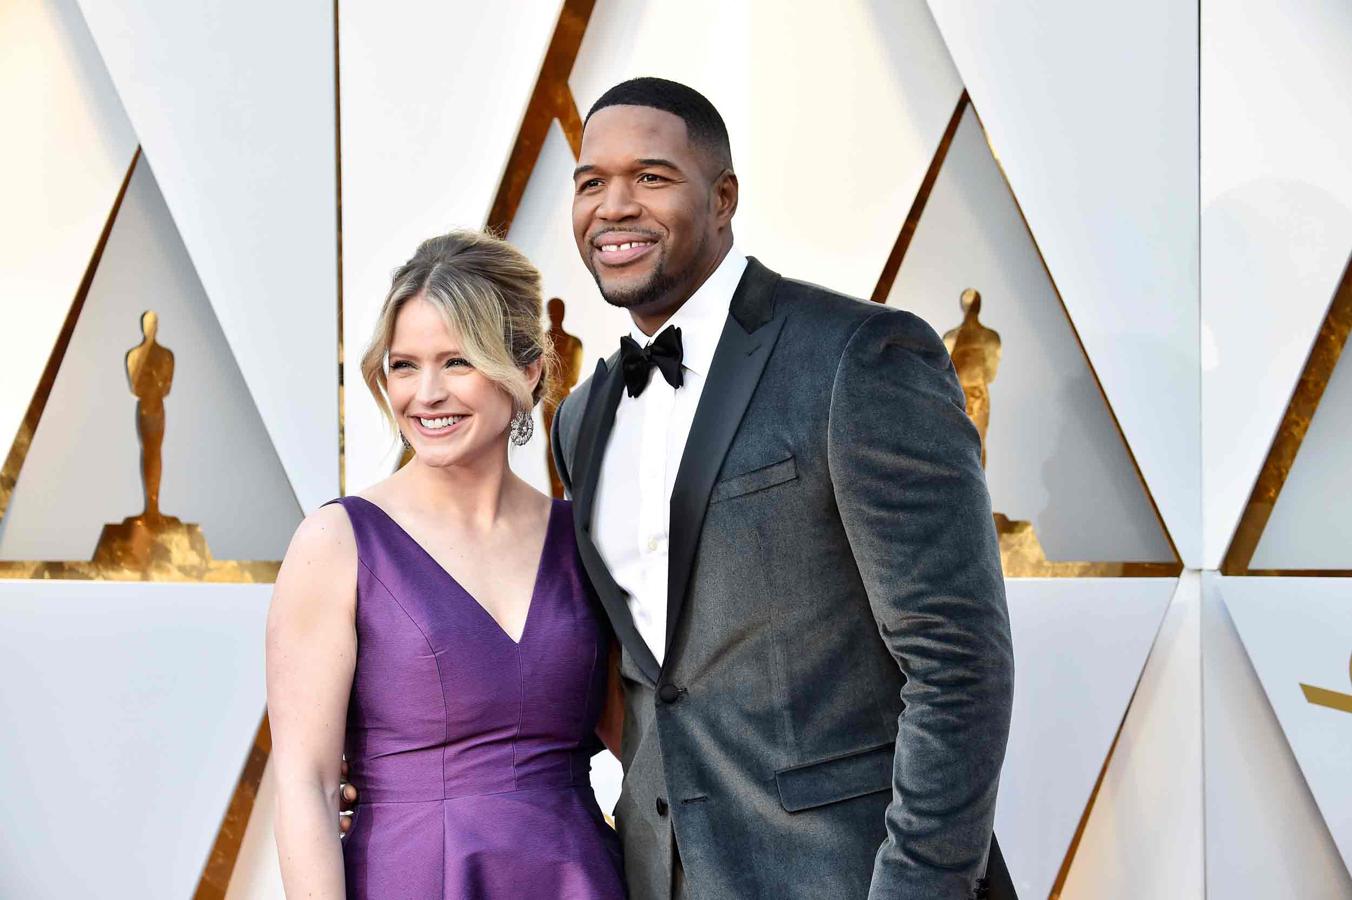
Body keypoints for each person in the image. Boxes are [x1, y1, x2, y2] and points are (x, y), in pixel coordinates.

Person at [345, 78, 1017, 899]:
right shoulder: (582, 419)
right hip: (650, 877)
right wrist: (401, 778)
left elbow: (958, 661)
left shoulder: (858, 359)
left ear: (723, 197)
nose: (614, 206)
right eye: (591, 182)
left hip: (841, 874)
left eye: (652, 177)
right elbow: (630, 676)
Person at [267, 231, 626, 898]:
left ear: (526, 371)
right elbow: (305, 785)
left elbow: (643, 736)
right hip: (411, 877)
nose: (425, 394)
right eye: (404, 366)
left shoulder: (582, 539)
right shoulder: (337, 543)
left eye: (456, 362)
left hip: (579, 876)